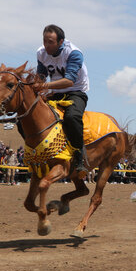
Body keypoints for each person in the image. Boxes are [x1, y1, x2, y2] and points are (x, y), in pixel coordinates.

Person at [35, 24, 90, 178]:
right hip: (55, 92)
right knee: (29, 114)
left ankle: (79, 156)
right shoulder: (41, 53)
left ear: (61, 42)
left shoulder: (73, 53)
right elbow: (41, 74)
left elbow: (69, 81)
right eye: (45, 41)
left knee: (72, 117)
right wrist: (34, 85)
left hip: (76, 92)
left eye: (50, 42)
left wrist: (44, 85)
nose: (46, 45)